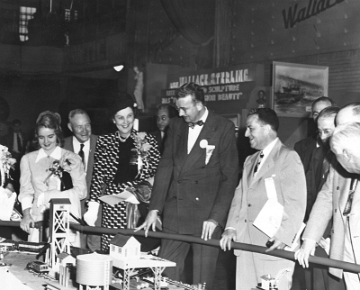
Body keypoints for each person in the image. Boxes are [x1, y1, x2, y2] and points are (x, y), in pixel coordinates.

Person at [137, 82, 239, 290]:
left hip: (205, 219)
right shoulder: (176, 125)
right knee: (165, 278)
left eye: (185, 108)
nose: (181, 113)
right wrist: (154, 209)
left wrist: (216, 217)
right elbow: (165, 168)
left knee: (201, 283)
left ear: (199, 105)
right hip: (175, 213)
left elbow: (229, 178)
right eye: (178, 109)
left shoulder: (223, 127)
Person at [220, 108, 306, 290]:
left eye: (251, 128)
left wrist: (284, 236)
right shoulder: (250, 160)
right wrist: (230, 227)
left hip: (272, 246)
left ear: (266, 128)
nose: (245, 133)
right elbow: (240, 196)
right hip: (245, 245)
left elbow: (296, 202)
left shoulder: (288, 157)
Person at [296, 103, 360, 290]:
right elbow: (326, 196)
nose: (337, 133)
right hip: (347, 249)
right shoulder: (339, 156)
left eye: (344, 127)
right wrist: (309, 239)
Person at [84, 95, 160, 252]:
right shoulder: (104, 142)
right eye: (120, 117)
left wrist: (142, 193)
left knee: (134, 251)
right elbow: (98, 176)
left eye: (129, 116)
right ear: (113, 120)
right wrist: (93, 206)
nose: (125, 122)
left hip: (139, 204)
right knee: (112, 250)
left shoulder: (147, 140)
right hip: (112, 205)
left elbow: (158, 174)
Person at [18, 111, 87, 245]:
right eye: (41, 137)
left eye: (50, 136)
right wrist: (26, 216)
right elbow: (26, 192)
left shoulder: (72, 157)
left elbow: (81, 192)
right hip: (38, 219)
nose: (46, 141)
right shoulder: (27, 159)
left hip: (66, 220)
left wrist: (50, 195)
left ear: (57, 134)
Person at [304, 106, 345, 290]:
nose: (322, 137)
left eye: (327, 131)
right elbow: (325, 197)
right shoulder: (327, 156)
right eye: (320, 132)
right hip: (325, 238)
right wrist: (311, 238)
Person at [63, 109, 99, 250]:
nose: (84, 131)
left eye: (87, 125)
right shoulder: (61, 146)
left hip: (97, 210)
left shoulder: (102, 143)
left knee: (95, 252)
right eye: (79, 127)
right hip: (71, 209)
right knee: (72, 251)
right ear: (70, 127)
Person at [294, 96, 334, 173]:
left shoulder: (341, 146)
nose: (320, 117)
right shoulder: (300, 146)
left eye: (325, 113)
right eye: (316, 114)